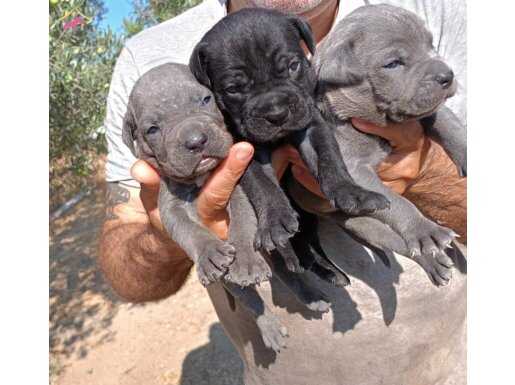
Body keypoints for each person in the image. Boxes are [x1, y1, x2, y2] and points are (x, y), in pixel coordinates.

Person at [99, 0, 467, 384]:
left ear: (307, 51)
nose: (274, 106)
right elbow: (127, 271)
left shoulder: (430, 12)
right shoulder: (150, 58)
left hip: (448, 361)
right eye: (234, 89)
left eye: (292, 68)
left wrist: (423, 172)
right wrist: (178, 232)